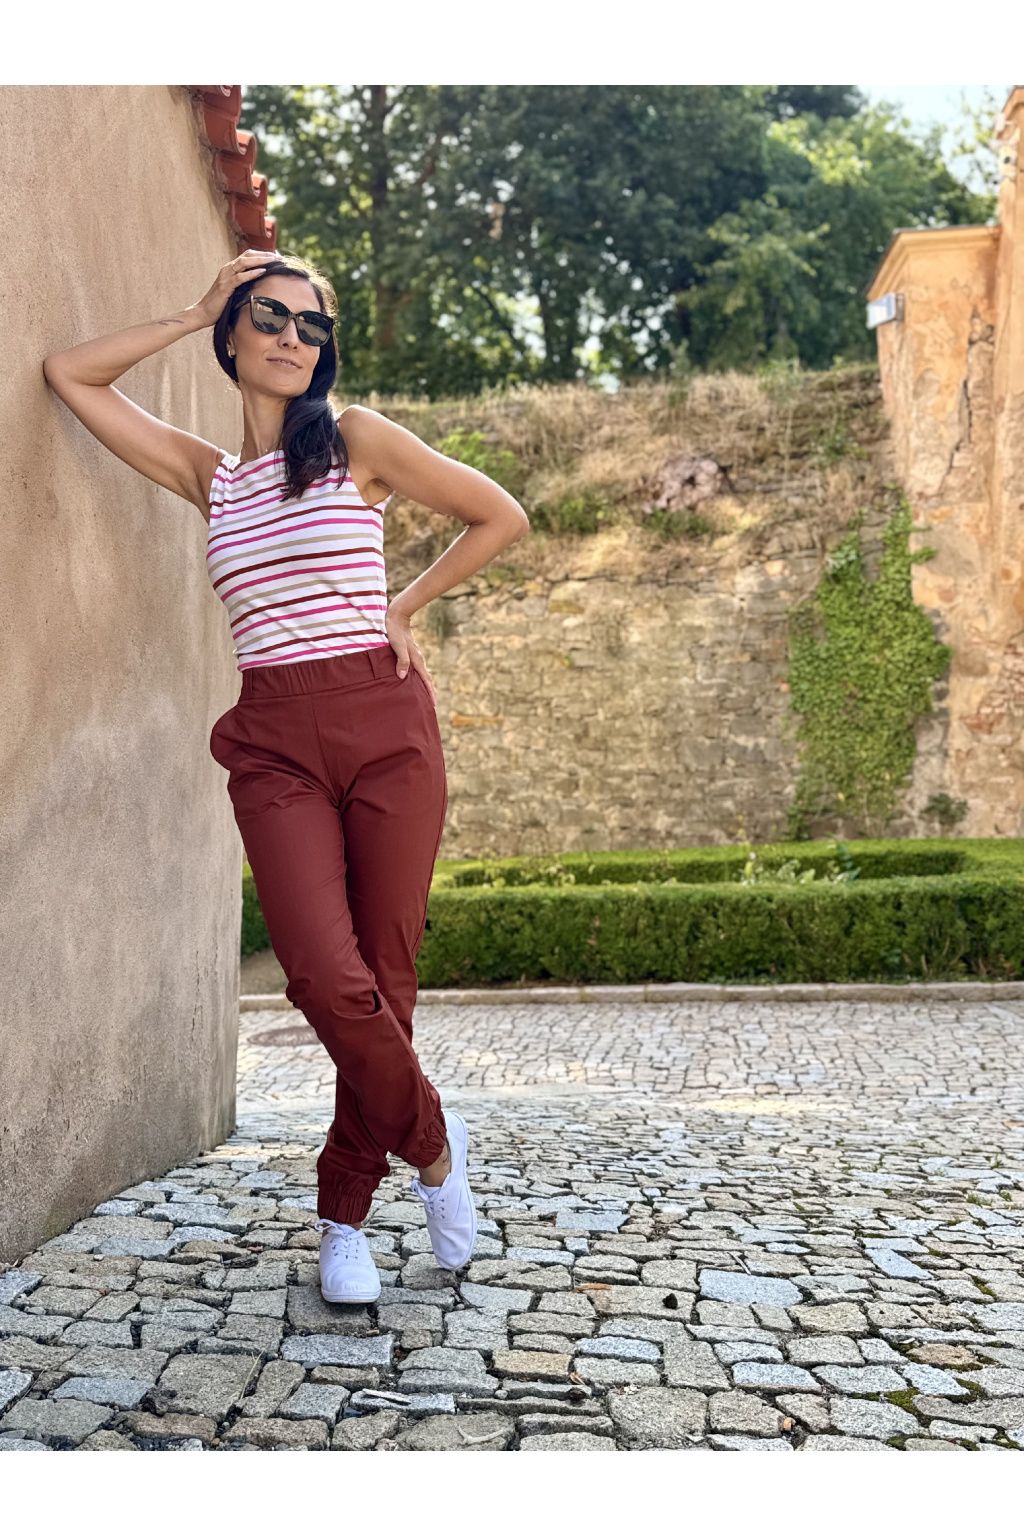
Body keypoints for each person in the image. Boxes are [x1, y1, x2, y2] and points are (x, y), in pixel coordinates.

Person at [41, 248, 530, 1304]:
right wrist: (190, 307)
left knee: (383, 980)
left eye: (312, 326)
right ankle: (434, 1146)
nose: (292, 338)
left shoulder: (357, 442)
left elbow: (500, 515)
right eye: (268, 316)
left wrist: (404, 604)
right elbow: (70, 375)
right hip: (273, 739)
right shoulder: (209, 477)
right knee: (318, 973)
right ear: (234, 333)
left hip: (385, 724)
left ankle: (343, 1214)